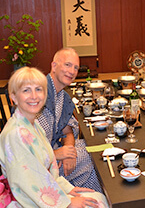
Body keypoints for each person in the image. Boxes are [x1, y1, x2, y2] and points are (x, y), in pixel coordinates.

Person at [0, 67, 108, 207]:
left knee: (97, 198)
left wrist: (68, 189)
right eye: (26, 90)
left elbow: (46, 169)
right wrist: (67, 203)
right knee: (98, 203)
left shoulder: (33, 125)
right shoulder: (16, 135)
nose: (34, 96)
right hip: (26, 202)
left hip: (42, 196)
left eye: (38, 89)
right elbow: (29, 183)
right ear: (14, 97)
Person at [37, 48, 103, 193]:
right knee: (93, 159)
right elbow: (27, 152)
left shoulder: (62, 95)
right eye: (67, 65)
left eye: (76, 68)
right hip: (39, 167)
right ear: (54, 66)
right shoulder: (38, 96)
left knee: (92, 147)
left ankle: (92, 199)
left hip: (55, 152)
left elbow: (67, 130)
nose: (72, 71)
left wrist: (69, 152)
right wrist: (58, 154)